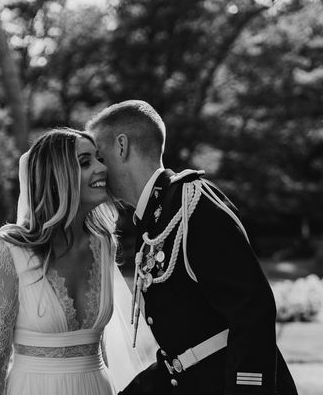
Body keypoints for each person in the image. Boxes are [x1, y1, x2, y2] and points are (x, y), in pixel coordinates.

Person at [86, 100, 298, 395]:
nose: (96, 169)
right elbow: (188, 343)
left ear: (121, 146)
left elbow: (253, 310)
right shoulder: (154, 218)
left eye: (98, 155)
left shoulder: (192, 203)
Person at [0, 128, 120, 395]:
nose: (102, 168)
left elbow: (100, 346)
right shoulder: (12, 250)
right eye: (86, 162)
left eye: (99, 159)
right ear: (57, 178)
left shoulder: (104, 244)